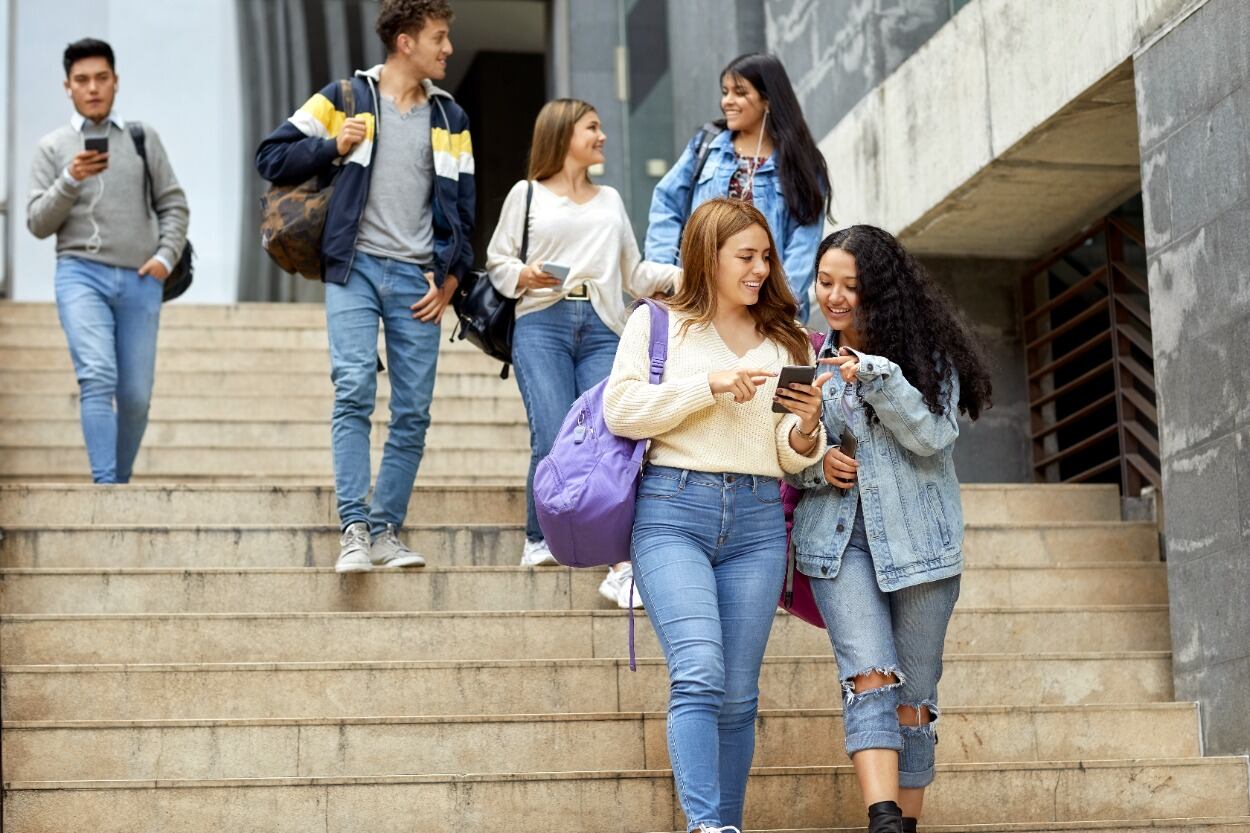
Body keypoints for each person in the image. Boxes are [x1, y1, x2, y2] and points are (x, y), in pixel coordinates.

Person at [604, 198, 829, 833]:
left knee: (738, 694)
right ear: (709, 257)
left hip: (758, 522)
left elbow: (786, 454)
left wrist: (808, 429)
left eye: (765, 257)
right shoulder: (656, 324)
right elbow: (622, 410)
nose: (760, 269)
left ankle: (725, 826)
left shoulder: (785, 340)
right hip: (673, 512)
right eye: (746, 257)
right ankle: (705, 826)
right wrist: (709, 386)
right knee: (699, 669)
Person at [255, 0, 474, 573]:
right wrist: (333, 145)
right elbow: (271, 156)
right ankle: (354, 527)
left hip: (418, 281)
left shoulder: (452, 119)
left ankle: (385, 531)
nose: (448, 49)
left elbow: (466, 210)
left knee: (413, 412)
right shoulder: (344, 98)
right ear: (406, 42)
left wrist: (450, 280)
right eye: (440, 38)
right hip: (352, 268)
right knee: (353, 388)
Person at [789, 226, 993, 833]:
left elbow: (932, 438)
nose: (835, 297)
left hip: (922, 550)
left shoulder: (928, 359)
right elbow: (787, 461)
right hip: (836, 541)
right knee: (869, 674)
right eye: (826, 282)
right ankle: (882, 819)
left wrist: (876, 377)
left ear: (882, 291)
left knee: (914, 701)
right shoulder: (807, 355)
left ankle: (903, 824)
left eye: (852, 286)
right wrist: (815, 458)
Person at [486, 98, 680, 608]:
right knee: (552, 430)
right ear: (564, 134)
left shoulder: (610, 199)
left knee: (611, 437)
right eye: (592, 128)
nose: (602, 136)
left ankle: (620, 561)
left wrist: (686, 275)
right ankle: (538, 536)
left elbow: (633, 272)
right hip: (541, 321)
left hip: (601, 324)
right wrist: (523, 274)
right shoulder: (525, 194)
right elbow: (498, 259)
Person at [26, 38, 189, 485]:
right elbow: (37, 223)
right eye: (82, 80)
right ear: (68, 87)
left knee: (135, 396)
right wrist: (68, 179)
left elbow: (173, 203)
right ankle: (106, 488)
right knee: (97, 376)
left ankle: (117, 483)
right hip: (79, 275)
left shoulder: (141, 137)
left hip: (140, 279)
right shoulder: (52, 147)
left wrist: (164, 257)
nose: (93, 88)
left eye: (101, 78)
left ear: (115, 82)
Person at [645, 52, 830, 321]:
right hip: (699, 302)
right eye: (725, 92)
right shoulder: (706, 146)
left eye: (739, 92)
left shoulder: (802, 164)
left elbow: (805, 242)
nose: (727, 101)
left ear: (767, 99)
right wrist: (665, 276)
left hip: (764, 306)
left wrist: (780, 302)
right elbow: (666, 202)